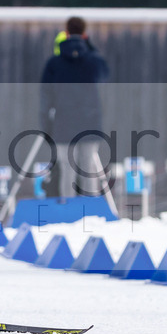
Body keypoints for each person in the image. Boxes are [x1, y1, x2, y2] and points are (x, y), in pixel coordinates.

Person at [40, 16, 110, 198]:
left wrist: (46, 126)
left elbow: (46, 96)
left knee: (67, 171)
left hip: (63, 123)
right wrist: (89, 46)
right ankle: (91, 213)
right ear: (85, 33)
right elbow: (104, 74)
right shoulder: (93, 60)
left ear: (66, 32)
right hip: (90, 121)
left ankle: (67, 209)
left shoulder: (54, 63)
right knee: (88, 169)